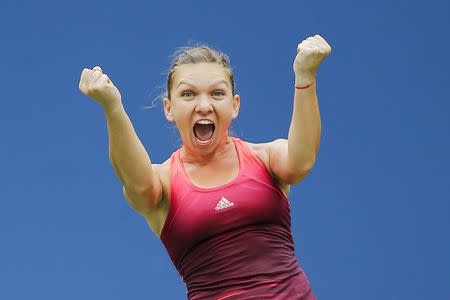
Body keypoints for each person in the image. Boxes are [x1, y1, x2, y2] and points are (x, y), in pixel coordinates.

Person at [78, 34, 332, 299]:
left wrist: (305, 76)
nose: (203, 105)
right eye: (188, 94)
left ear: (234, 105)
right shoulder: (162, 184)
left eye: (217, 93)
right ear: (169, 108)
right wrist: (112, 106)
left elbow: (302, 160)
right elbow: (137, 182)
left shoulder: (267, 158)